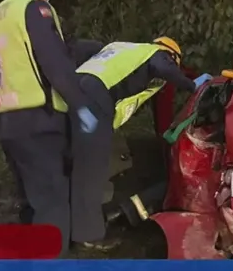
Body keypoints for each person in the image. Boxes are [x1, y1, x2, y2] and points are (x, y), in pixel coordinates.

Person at [0, 0, 83, 256]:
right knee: (52, 201)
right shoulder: (34, 10)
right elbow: (55, 63)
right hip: (40, 120)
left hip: (8, 124)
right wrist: (80, 106)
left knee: (30, 198)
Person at [69, 37, 211, 250]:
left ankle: (69, 225)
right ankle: (89, 233)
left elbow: (76, 48)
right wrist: (191, 86)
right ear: (171, 55)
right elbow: (161, 64)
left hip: (73, 95)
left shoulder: (123, 49)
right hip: (95, 101)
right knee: (94, 169)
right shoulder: (154, 54)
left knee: (80, 164)